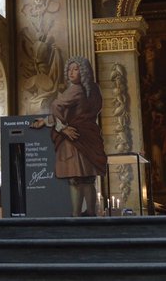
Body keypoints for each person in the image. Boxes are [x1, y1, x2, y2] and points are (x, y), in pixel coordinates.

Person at [31, 55, 108, 216]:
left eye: (76, 69)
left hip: (75, 138)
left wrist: (62, 128)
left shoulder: (75, 89)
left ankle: (76, 216)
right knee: (88, 178)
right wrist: (47, 121)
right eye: (70, 69)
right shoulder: (93, 89)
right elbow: (85, 112)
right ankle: (91, 214)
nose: (71, 73)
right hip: (90, 135)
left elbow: (56, 106)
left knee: (76, 180)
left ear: (84, 71)